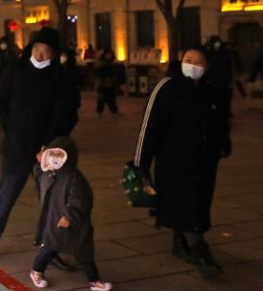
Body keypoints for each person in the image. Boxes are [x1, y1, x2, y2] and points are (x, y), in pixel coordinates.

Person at [0, 27, 78, 262]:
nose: (40, 55)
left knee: (51, 203)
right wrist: (10, 129)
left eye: (45, 51)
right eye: (36, 50)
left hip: (46, 153)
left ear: (54, 54)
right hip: (15, 148)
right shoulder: (16, 70)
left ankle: (50, 248)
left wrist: (49, 144)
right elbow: (0, 102)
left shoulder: (61, 78)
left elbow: (67, 114)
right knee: (6, 197)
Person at [137, 46, 231, 278]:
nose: (193, 65)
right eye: (189, 60)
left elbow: (220, 122)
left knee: (198, 203)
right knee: (185, 205)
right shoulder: (167, 87)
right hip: (173, 162)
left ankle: (179, 243)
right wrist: (141, 163)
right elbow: (149, 128)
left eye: (199, 62)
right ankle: (202, 254)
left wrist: (223, 145)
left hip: (205, 161)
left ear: (207, 66)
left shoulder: (213, 90)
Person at [29, 137, 112, 291]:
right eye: (52, 155)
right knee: (47, 248)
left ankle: (94, 281)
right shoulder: (48, 172)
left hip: (74, 225)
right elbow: (38, 172)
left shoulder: (74, 178)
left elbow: (80, 199)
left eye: (59, 156)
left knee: (84, 252)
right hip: (53, 221)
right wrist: (40, 161)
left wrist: (69, 215)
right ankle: (36, 271)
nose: (54, 160)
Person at [206, 36, 235, 117]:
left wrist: (230, 79)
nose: (217, 45)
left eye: (218, 43)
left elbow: (229, 67)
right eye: (215, 43)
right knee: (214, 99)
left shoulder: (225, 53)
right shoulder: (209, 54)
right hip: (212, 81)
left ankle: (226, 113)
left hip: (224, 81)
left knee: (225, 99)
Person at [95, 49, 119, 118]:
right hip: (103, 84)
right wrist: (99, 85)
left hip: (110, 83)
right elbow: (98, 76)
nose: (109, 56)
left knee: (111, 98)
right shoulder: (101, 64)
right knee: (101, 99)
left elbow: (113, 74)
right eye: (108, 54)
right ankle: (99, 112)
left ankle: (114, 112)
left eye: (110, 54)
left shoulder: (111, 63)